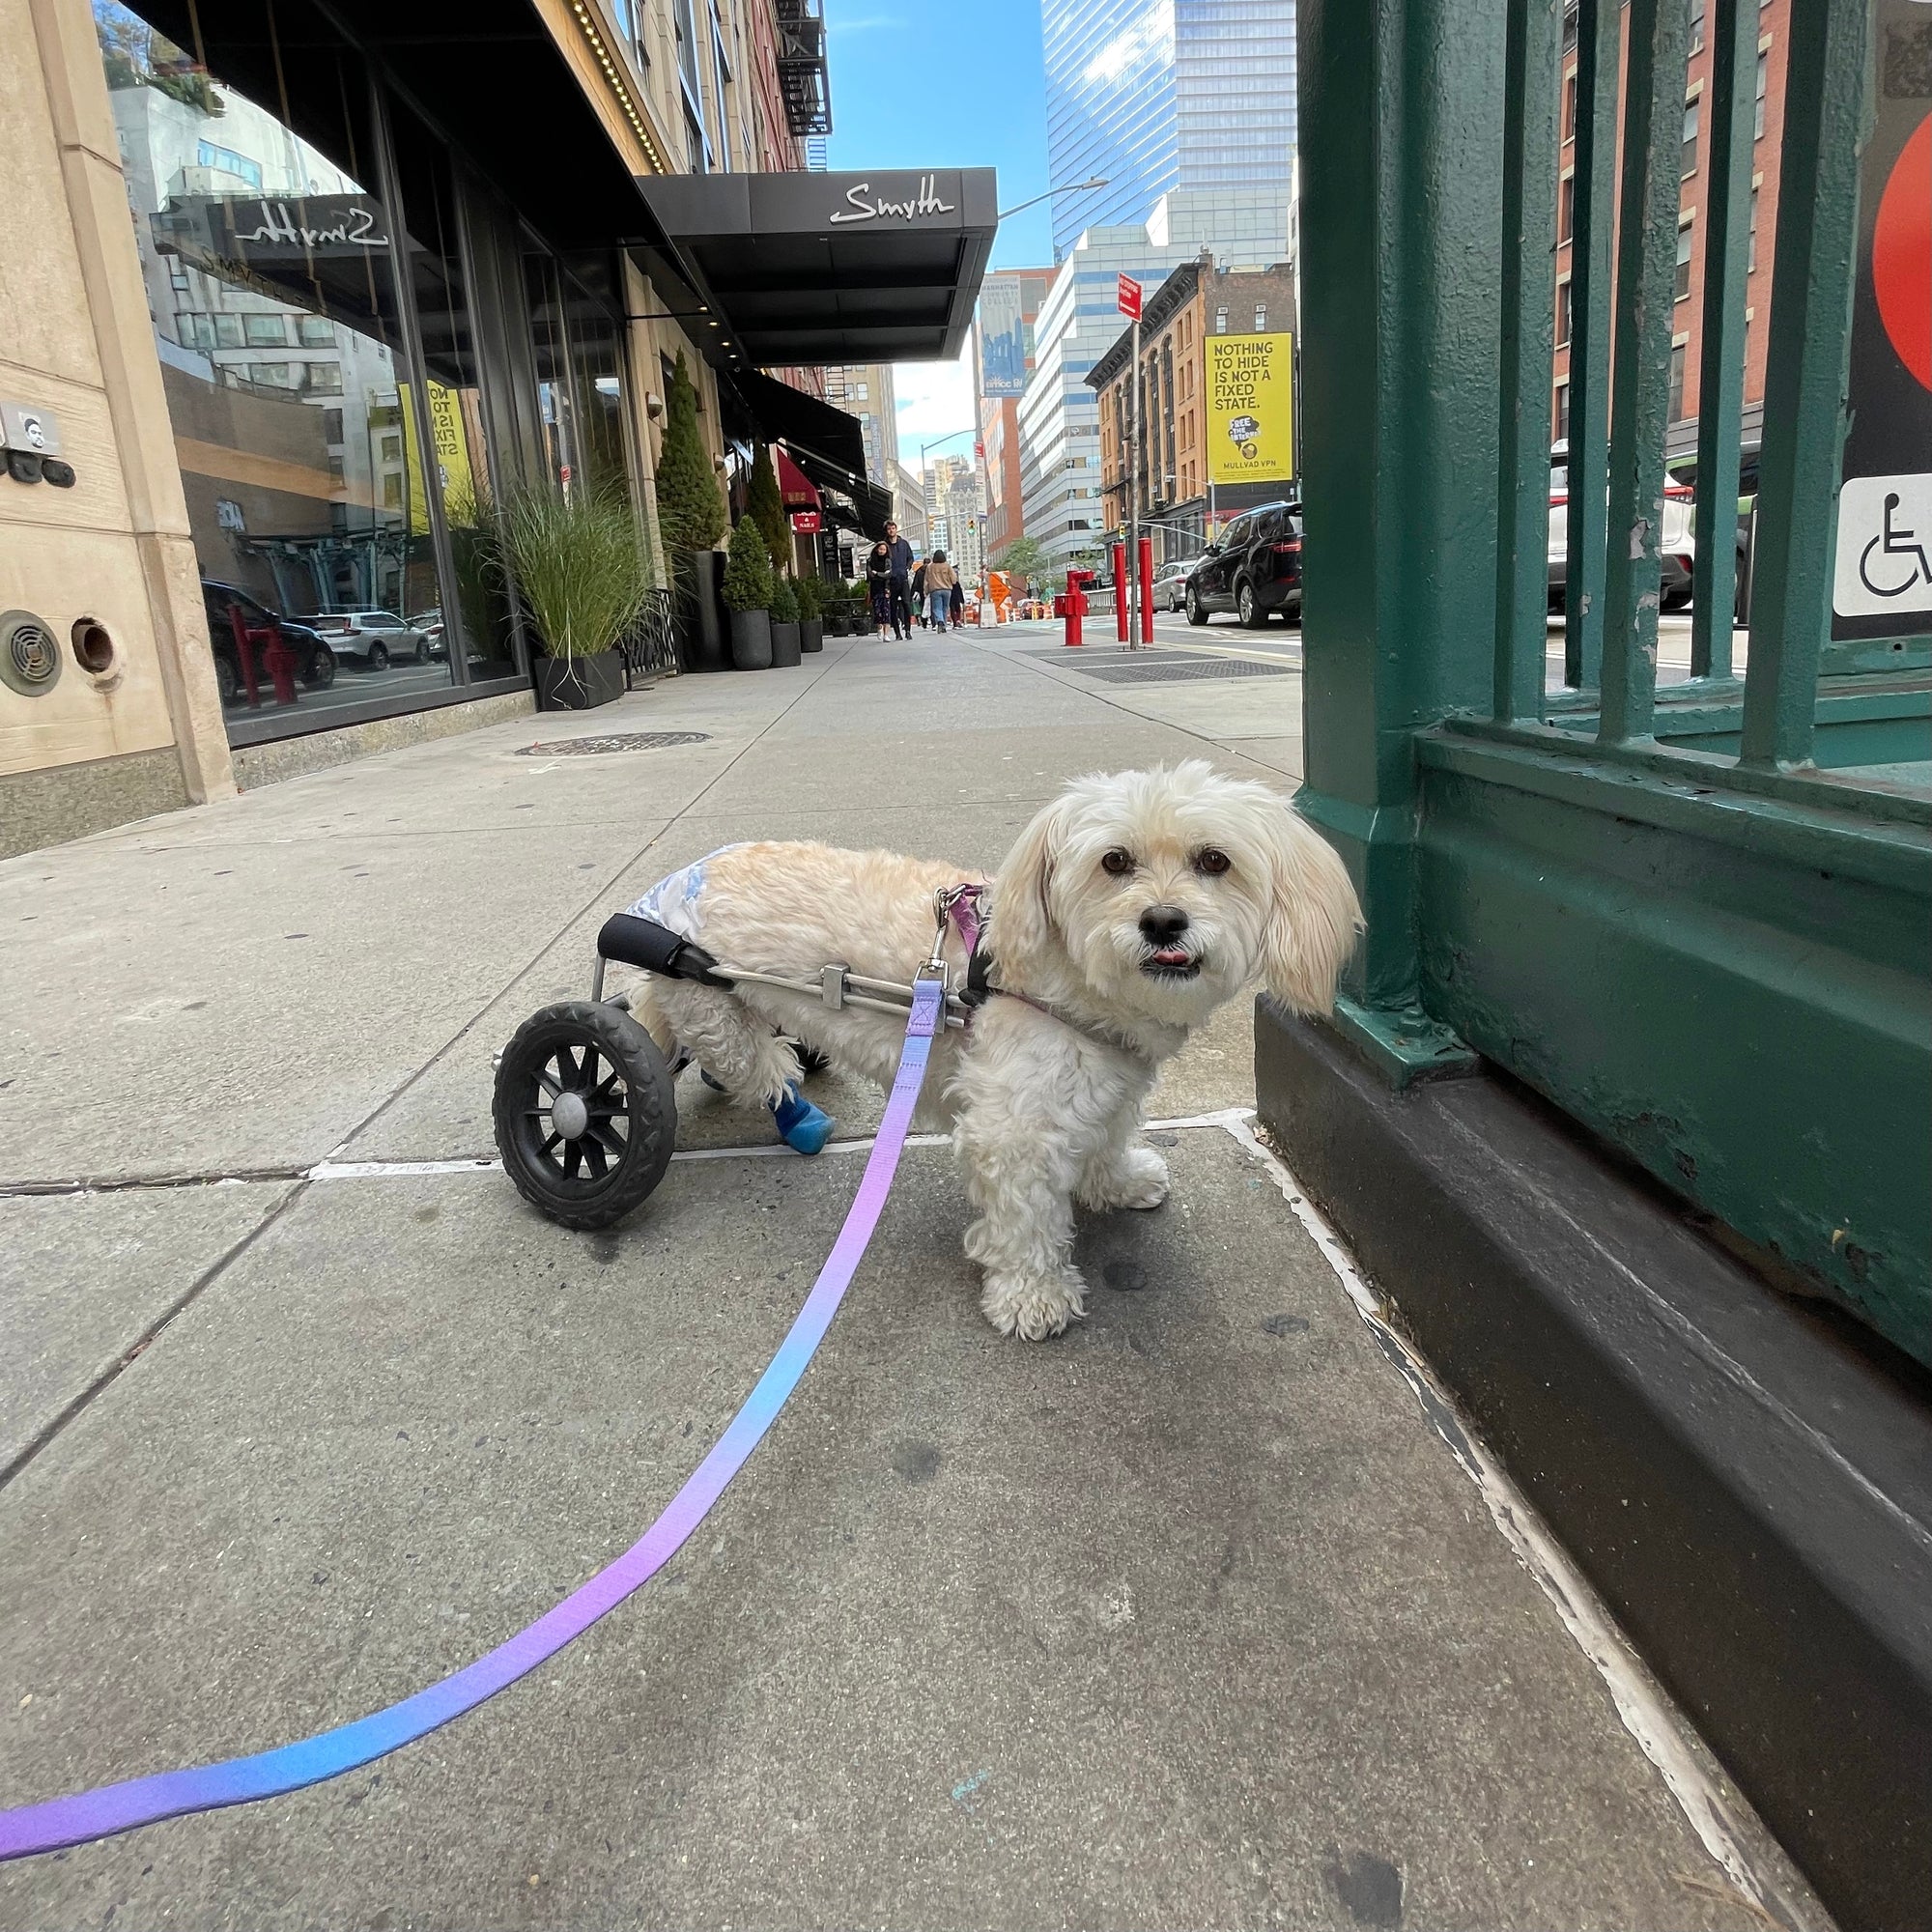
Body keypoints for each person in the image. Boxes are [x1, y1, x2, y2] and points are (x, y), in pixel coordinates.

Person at [882, 520, 914, 640]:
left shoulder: (904, 544)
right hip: (891, 581)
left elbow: (910, 557)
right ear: (887, 531)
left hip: (903, 578)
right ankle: (897, 633)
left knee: (906, 604)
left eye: (893, 528)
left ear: (896, 529)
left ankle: (908, 630)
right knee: (893, 607)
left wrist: (907, 567)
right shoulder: (884, 545)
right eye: (889, 529)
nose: (891, 530)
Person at [865, 539, 895, 637]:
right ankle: (879, 628)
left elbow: (889, 575)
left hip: (885, 588)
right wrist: (882, 574)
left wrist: (877, 573)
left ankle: (886, 634)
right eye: (880, 549)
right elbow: (870, 575)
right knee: (877, 610)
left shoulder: (888, 561)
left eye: (884, 549)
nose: (882, 551)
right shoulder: (870, 560)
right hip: (875, 588)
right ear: (876, 549)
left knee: (886, 611)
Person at [924, 550, 958, 632]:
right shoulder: (947, 566)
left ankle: (940, 621)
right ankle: (944, 625)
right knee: (945, 607)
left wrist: (926, 591)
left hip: (935, 590)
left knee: (936, 608)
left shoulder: (930, 566)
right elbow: (954, 578)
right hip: (947, 590)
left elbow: (926, 580)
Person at [911, 555, 928, 630]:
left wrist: (912, 593)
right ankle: (934, 623)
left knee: (923, 606)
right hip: (930, 590)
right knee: (931, 606)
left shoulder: (919, 571)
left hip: (921, 591)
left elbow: (915, 583)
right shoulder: (931, 570)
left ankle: (924, 622)